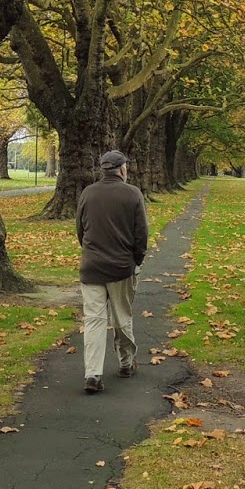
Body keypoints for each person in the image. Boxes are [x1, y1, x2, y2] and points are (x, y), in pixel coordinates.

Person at [75, 148, 148, 394]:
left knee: (94, 321)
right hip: (121, 267)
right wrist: (136, 260)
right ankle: (126, 363)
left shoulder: (87, 193)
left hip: (92, 267)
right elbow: (141, 234)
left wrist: (89, 252)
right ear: (123, 169)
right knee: (122, 317)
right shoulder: (133, 194)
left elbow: (80, 230)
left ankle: (93, 374)